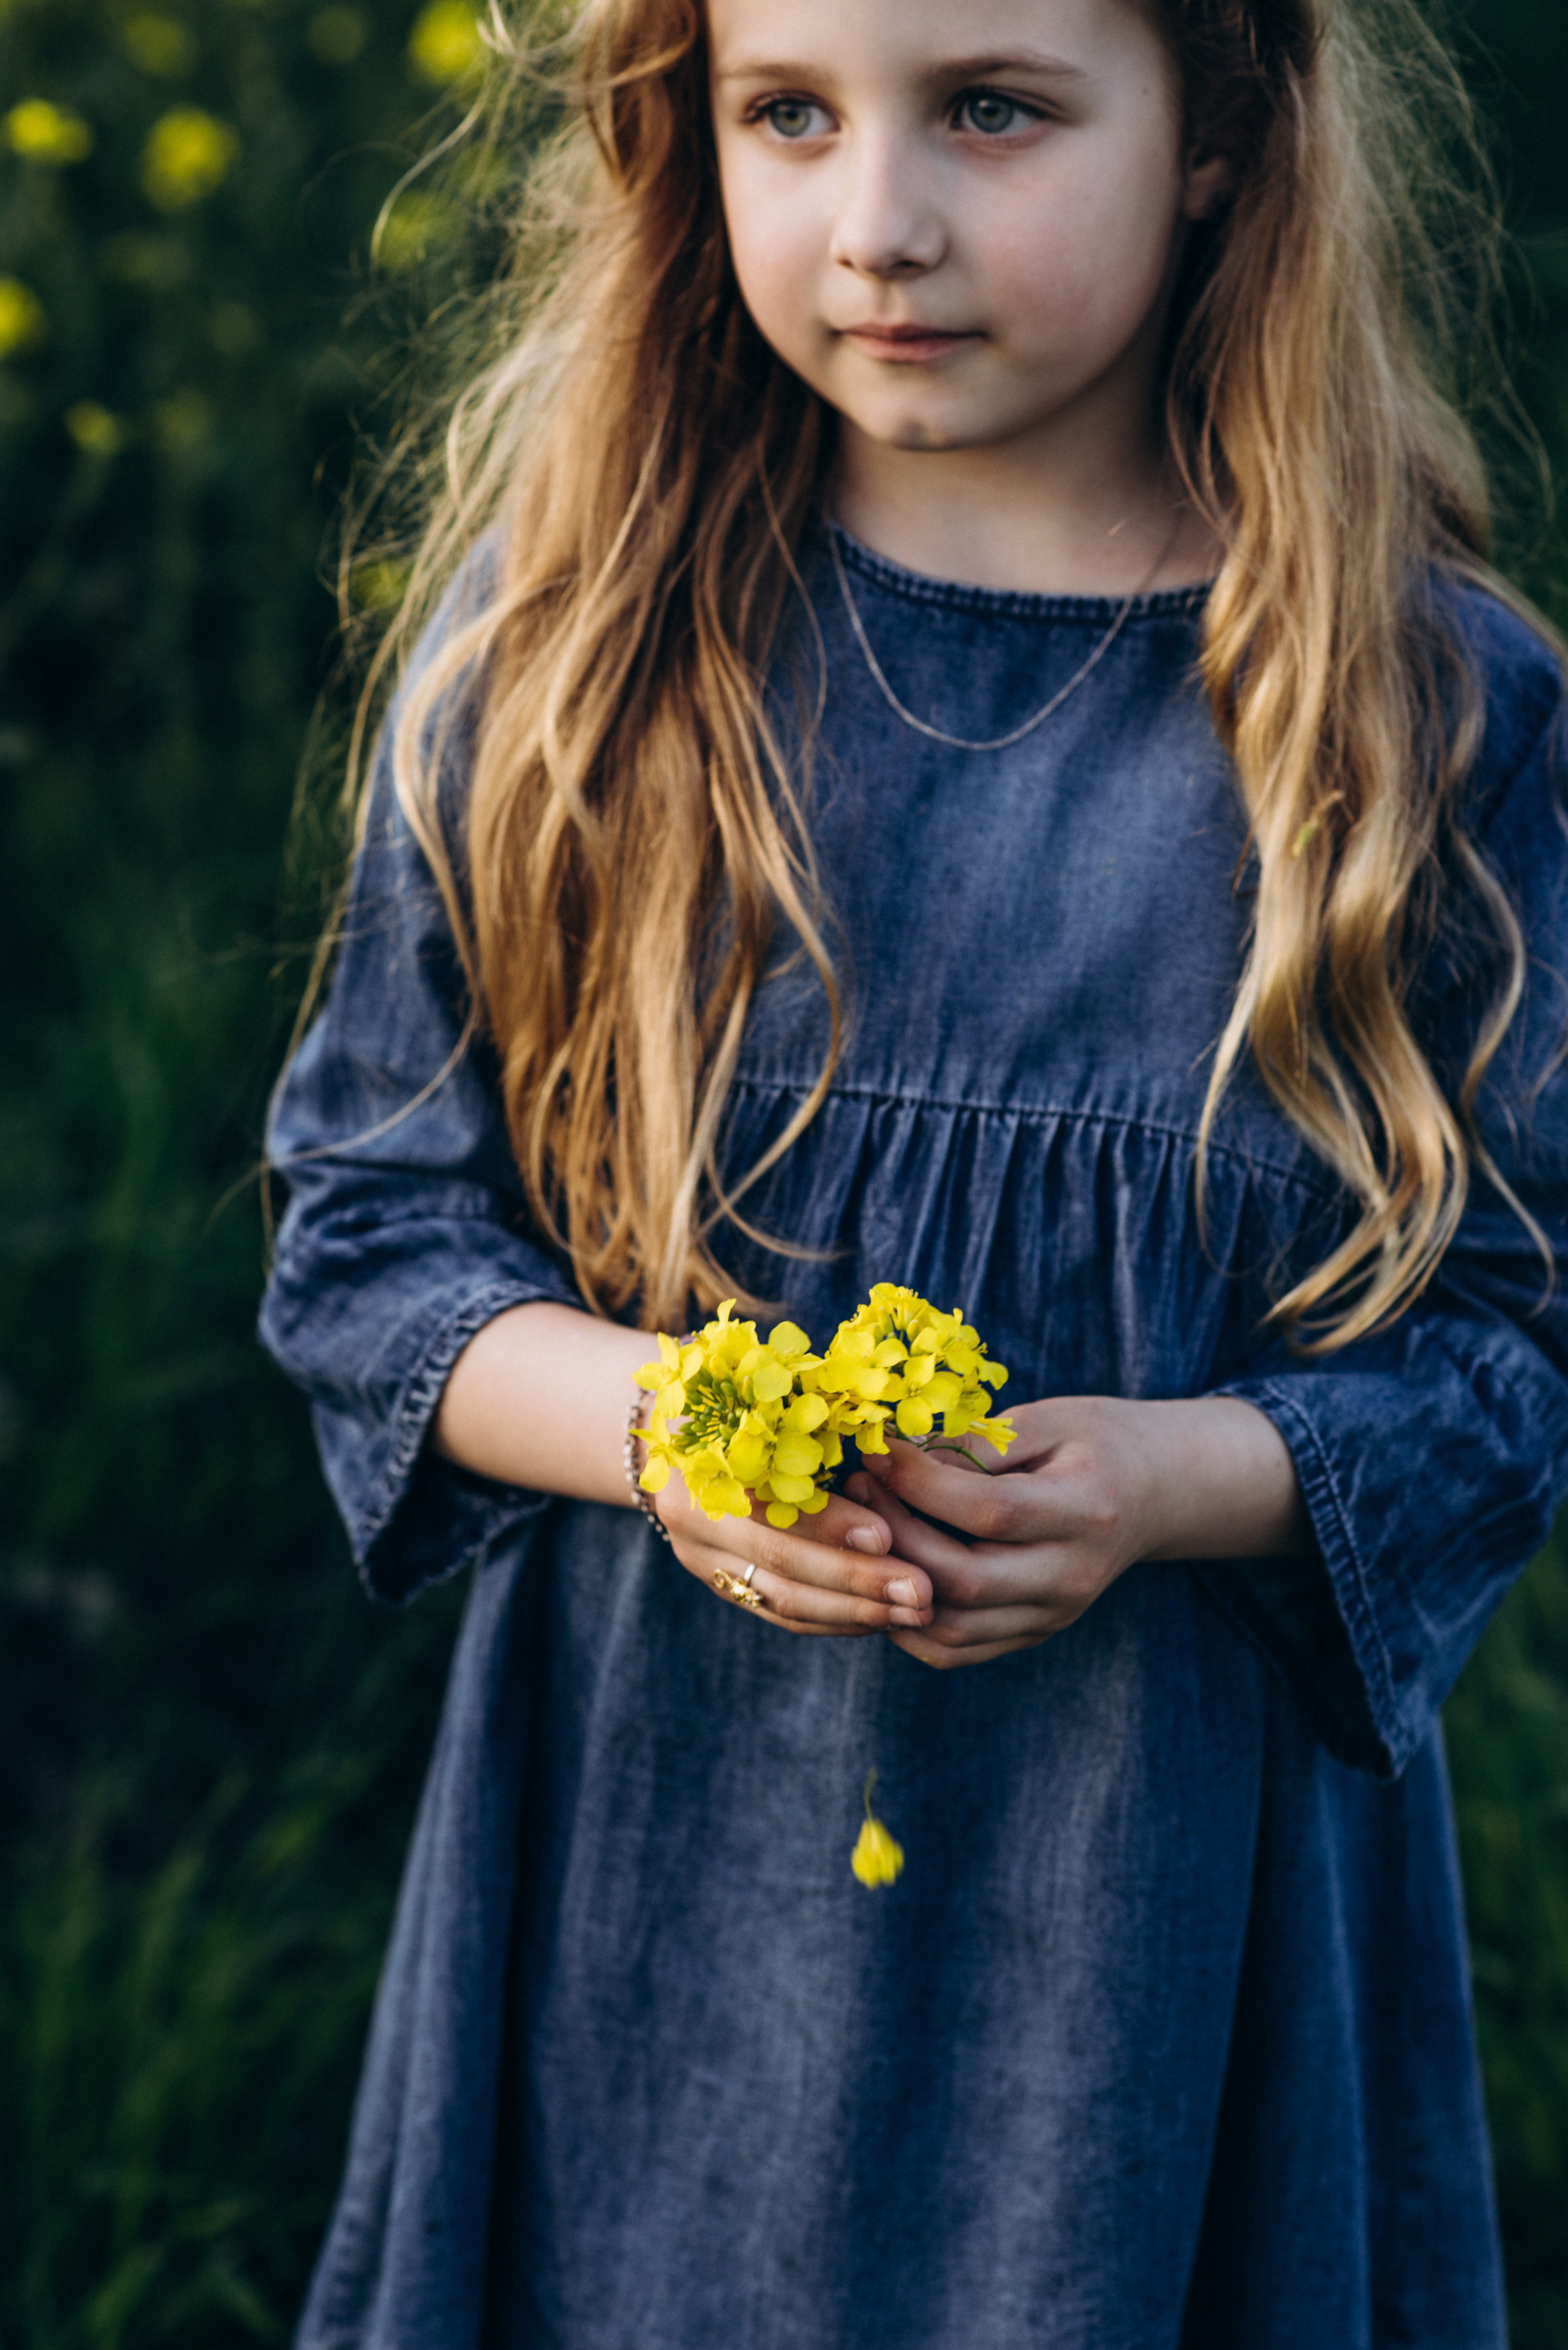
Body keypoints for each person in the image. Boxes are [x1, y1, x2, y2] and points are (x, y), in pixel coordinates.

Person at [259, 0, 1568, 2341]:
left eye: (991, 107)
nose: (878, 222)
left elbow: (1515, 1337)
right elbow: (367, 1240)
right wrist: (663, 1426)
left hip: (1158, 1926)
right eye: (788, 114)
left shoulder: (1415, 704)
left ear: (1221, 127)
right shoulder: (570, 654)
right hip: (660, 1878)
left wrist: (1179, 1475)